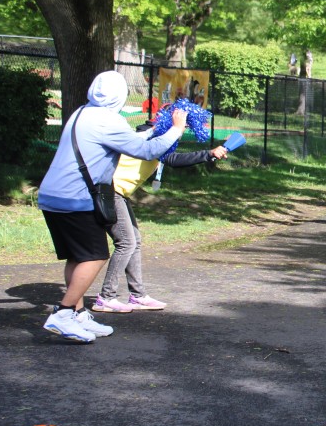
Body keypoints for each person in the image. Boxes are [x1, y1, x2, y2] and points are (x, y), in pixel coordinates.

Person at [38, 71, 186, 343]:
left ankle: (78, 314)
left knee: (77, 256)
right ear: (120, 95)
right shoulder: (109, 120)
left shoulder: (81, 113)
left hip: (52, 195)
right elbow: (146, 151)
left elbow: (129, 139)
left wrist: (155, 130)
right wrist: (176, 129)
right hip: (77, 198)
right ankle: (64, 313)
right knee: (94, 256)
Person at [92, 121, 230, 313]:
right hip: (111, 192)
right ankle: (106, 298)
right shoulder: (151, 136)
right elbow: (172, 158)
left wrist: (209, 153)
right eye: (183, 126)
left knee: (134, 241)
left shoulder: (157, 138)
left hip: (119, 194)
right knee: (127, 243)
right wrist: (208, 153)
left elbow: (170, 157)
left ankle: (137, 295)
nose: (182, 131)